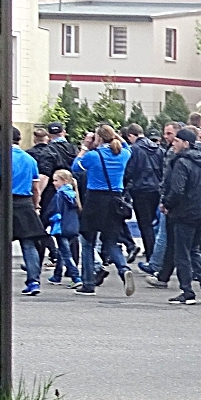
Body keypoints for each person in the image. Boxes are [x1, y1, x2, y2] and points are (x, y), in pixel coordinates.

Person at [0, 128, 46, 294]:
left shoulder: (1, 158)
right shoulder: (30, 160)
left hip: (5, 202)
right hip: (25, 203)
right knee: (29, 244)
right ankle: (33, 281)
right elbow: (35, 188)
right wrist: (36, 206)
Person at [69, 124, 136, 297]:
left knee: (88, 242)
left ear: (98, 138)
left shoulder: (93, 155)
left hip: (95, 200)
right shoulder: (123, 154)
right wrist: (116, 136)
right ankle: (124, 269)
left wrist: (85, 146)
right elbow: (128, 147)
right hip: (115, 200)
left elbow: (76, 167)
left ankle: (88, 284)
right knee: (111, 241)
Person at [157, 127, 201, 306]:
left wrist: (166, 204)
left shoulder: (181, 162)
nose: (173, 144)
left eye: (176, 141)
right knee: (194, 249)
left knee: (182, 253)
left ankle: (187, 291)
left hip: (184, 213)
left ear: (185, 143)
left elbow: (177, 189)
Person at [122, 123, 166, 266]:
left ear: (131, 136)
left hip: (140, 189)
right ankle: (154, 256)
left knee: (145, 224)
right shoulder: (158, 149)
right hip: (156, 189)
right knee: (153, 224)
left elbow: (129, 171)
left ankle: (151, 258)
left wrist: (124, 187)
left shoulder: (134, 149)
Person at [45, 169, 82, 287]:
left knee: (66, 254)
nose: (53, 183)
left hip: (61, 227)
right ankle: (57, 275)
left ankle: (76, 277)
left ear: (64, 181)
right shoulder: (74, 194)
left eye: (56, 180)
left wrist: (46, 220)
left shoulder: (60, 195)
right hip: (73, 227)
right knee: (62, 252)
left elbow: (54, 210)